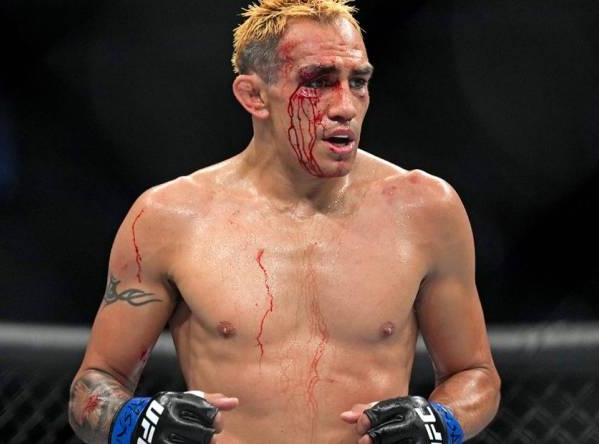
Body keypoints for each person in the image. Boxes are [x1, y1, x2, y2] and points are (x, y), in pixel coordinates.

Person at [68, 0, 501, 443]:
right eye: (319, 81)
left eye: (358, 82)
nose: (346, 107)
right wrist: (134, 422)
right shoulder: (169, 218)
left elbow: (476, 375)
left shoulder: (425, 210)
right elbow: (94, 385)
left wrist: (440, 423)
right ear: (254, 95)